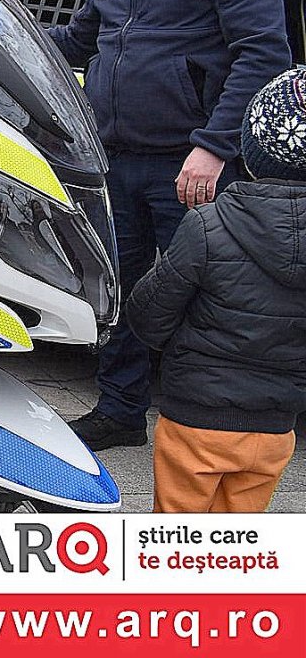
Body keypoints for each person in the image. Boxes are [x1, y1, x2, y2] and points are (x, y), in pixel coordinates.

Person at [49, 0, 290, 451]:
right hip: (113, 161)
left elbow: (264, 54)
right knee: (119, 287)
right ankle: (120, 409)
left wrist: (213, 146)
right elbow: (74, 45)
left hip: (190, 164)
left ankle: (199, 423)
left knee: (204, 297)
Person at [126, 68, 306, 512]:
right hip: (277, 425)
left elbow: (149, 314)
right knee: (235, 541)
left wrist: (184, 349)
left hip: (197, 418)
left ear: (250, 149)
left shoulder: (209, 225)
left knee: (176, 534)